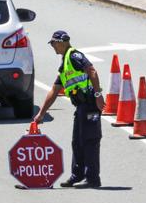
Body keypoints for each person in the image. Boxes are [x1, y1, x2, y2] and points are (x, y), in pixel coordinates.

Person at [34, 30, 105, 189]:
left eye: (53, 43)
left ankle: (92, 178)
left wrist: (99, 95)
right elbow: (54, 90)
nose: (52, 46)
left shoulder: (74, 56)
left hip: (90, 104)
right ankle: (77, 175)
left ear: (62, 42)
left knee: (90, 140)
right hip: (81, 106)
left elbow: (92, 71)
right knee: (77, 141)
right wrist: (41, 113)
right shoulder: (65, 64)